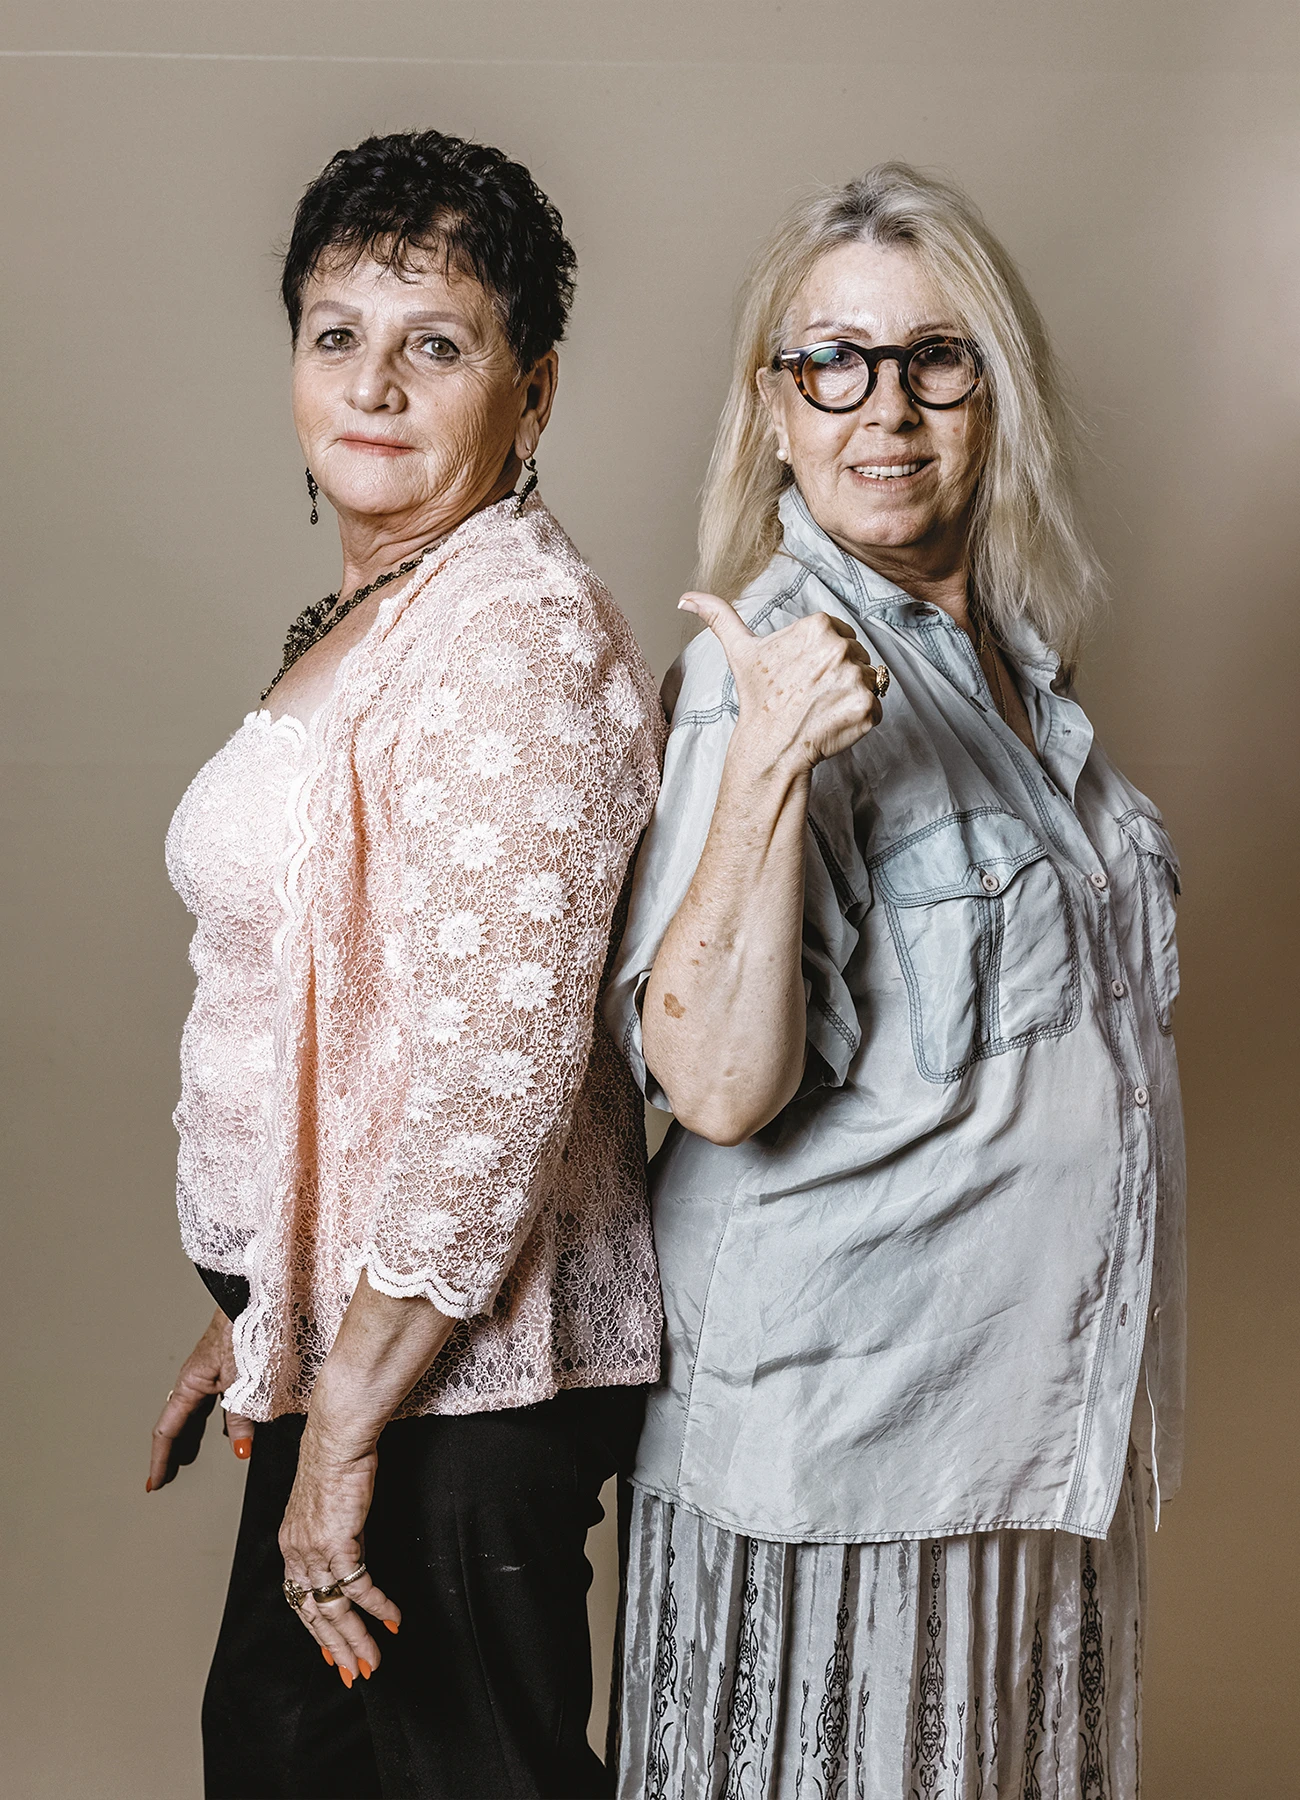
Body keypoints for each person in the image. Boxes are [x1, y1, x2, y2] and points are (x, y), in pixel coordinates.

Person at [604, 163, 1184, 1799]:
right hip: (840, 1458)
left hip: (1013, 1429)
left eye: (936, 359)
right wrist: (778, 756)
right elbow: (715, 1085)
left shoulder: (1014, 668)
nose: (887, 411)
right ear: (773, 411)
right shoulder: (762, 674)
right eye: (832, 364)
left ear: (994, 397)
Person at [147, 129, 666, 1800]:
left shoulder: (512, 630)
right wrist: (268, 1319)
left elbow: (487, 1080)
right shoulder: (384, 609)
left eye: (434, 342)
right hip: (357, 1354)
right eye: (335, 333)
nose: (373, 383)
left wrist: (348, 1422)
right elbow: (338, 1014)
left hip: (459, 1389)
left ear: (534, 387)